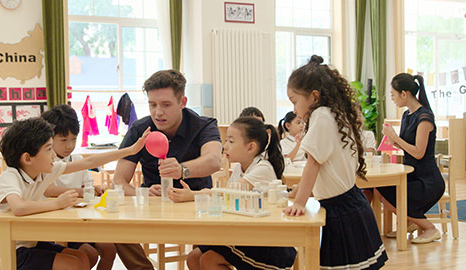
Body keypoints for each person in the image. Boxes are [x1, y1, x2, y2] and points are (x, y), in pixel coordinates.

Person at [0, 117, 149, 270]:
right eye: (48, 149)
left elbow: (89, 162)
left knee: (83, 258)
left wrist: (130, 150)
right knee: (75, 264)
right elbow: (18, 207)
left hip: (26, 242)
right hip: (4, 251)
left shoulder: (43, 171)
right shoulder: (11, 176)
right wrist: (57, 203)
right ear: (27, 158)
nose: (54, 155)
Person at [282, 55, 387, 269]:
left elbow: (313, 164)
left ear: (313, 96)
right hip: (348, 205)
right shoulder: (331, 114)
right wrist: (299, 191)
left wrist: (300, 201)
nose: (294, 109)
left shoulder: (321, 116)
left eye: (294, 101)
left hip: (344, 210)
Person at [112, 69, 222, 269]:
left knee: (208, 250)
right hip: (154, 207)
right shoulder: (140, 130)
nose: (158, 112)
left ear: (183, 102)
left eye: (166, 105)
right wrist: (141, 192)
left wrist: (182, 170)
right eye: (152, 105)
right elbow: (119, 182)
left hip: (196, 204)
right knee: (116, 228)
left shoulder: (203, 126)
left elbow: (214, 160)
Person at [186, 116, 295, 270]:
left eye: (231, 141)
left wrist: (193, 195)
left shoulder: (262, 168)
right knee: (193, 257)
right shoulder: (240, 167)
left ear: (250, 147)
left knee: (208, 260)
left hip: (268, 244)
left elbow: (226, 194)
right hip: (245, 234)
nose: (225, 146)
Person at [41, 104, 116, 270]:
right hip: (60, 222)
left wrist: (96, 189)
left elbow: (88, 185)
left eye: (74, 139)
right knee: (89, 254)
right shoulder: (45, 163)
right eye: (63, 140)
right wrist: (82, 192)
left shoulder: (77, 159)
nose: (69, 145)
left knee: (109, 249)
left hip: (83, 218)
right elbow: (48, 190)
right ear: (48, 138)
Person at [376, 73, 445, 244]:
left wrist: (396, 138)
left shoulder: (425, 118)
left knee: (393, 192)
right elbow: (406, 146)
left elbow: (418, 153)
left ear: (404, 94)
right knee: (380, 189)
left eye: (393, 94)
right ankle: (410, 222)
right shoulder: (407, 115)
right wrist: (393, 140)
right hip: (412, 175)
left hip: (427, 180)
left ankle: (429, 228)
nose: (392, 99)